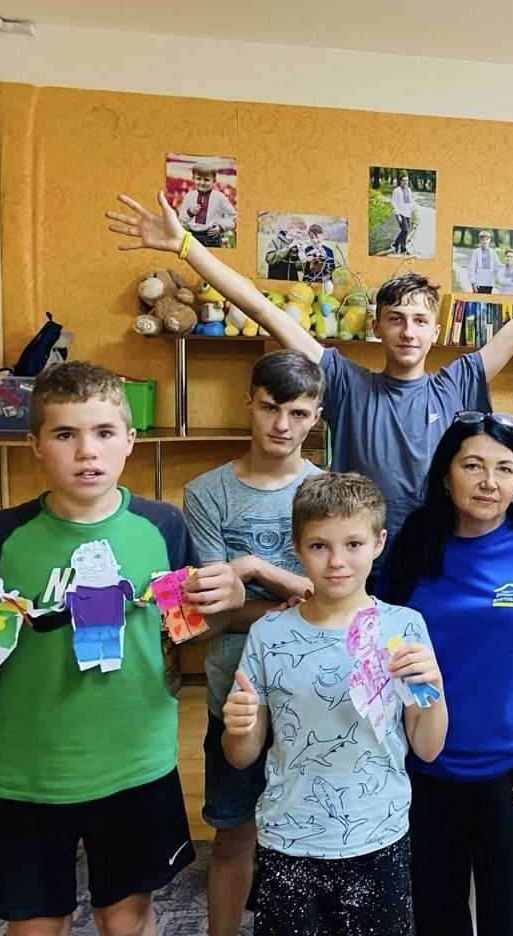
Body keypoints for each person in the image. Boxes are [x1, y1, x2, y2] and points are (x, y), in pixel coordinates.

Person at [106, 191, 513, 574]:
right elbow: (265, 311)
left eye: (420, 320)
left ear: (435, 330)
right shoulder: (345, 382)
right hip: (367, 560)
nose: (408, 331)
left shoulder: (460, 380)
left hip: (446, 555)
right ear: (378, 326)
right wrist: (187, 247)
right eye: (396, 319)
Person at [0, 361, 245, 933]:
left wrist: (227, 602)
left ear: (129, 440)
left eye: (104, 432)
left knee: (126, 916)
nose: (87, 451)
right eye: (66, 434)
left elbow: (188, 630)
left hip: (136, 762)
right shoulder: (1, 534)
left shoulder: (163, 526)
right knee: (36, 923)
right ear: (35, 444)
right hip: (27, 769)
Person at [381, 413, 513, 936]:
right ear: (445, 475)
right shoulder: (413, 545)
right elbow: (371, 629)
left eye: (504, 469)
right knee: (435, 916)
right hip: (427, 761)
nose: (489, 482)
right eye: (472, 466)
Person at [223, 471, 448, 936]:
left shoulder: (404, 628)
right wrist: (238, 727)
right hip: (288, 837)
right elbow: (242, 755)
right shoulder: (269, 634)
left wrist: (436, 689)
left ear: (379, 542)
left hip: (378, 834)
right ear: (297, 547)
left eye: (353, 544)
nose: (337, 561)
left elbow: (428, 748)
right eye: (319, 546)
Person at [184, 349, 325, 936]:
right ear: (248, 404)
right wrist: (291, 598)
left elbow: (333, 604)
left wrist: (252, 569)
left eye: (298, 413)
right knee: (233, 838)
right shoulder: (206, 493)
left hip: (314, 697)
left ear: (316, 417)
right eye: (270, 408)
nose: (282, 425)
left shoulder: (327, 492)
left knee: (315, 839)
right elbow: (209, 616)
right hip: (234, 695)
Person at [175, 160, 236, 248]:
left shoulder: (219, 197)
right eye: (199, 179)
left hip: (211, 237)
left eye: (207, 180)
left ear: (214, 181)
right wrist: (190, 212)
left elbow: (232, 215)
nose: (202, 183)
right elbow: (181, 218)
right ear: (193, 178)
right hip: (193, 236)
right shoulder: (190, 196)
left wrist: (221, 227)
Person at [265, 216, 307, 280]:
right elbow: (269, 259)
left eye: (301, 233)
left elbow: (299, 268)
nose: (300, 235)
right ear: (290, 228)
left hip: (292, 281)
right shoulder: (276, 240)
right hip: (276, 279)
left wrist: (302, 260)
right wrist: (289, 247)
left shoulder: (298, 245)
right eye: (298, 232)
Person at [392, 172, 414, 256]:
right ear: (400, 181)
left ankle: (403, 249)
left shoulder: (409, 190)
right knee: (405, 230)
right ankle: (395, 244)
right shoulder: (396, 190)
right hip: (400, 213)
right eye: (403, 180)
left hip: (408, 213)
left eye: (406, 181)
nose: (405, 182)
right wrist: (397, 214)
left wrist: (411, 208)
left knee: (405, 232)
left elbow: (411, 201)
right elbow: (393, 203)